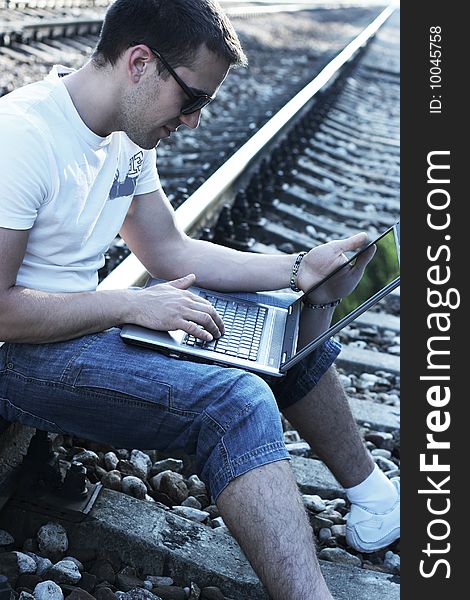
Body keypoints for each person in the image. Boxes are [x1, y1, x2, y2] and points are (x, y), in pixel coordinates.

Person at [0, 1, 399, 598]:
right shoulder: (22, 137)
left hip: (77, 328)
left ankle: (374, 500)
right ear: (140, 64)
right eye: (191, 100)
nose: (192, 121)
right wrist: (128, 306)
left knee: (279, 327)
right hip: (22, 354)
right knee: (235, 403)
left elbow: (171, 253)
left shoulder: (125, 137)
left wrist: (296, 271)